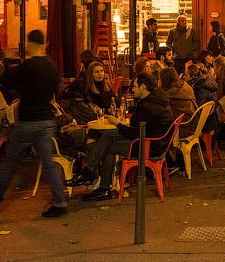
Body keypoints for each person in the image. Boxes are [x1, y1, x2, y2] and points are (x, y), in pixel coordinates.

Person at [0, 29, 68, 219]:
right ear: (44, 44)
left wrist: (8, 61)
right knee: (49, 163)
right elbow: (57, 90)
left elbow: (6, 80)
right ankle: (60, 201)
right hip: (46, 120)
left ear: (31, 45)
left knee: (10, 163)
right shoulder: (52, 67)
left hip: (27, 120)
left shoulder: (27, 66)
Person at [71, 72, 174, 201]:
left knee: (108, 146)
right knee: (108, 135)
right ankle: (93, 177)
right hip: (155, 143)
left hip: (148, 147)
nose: (132, 89)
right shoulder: (157, 100)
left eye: (135, 86)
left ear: (143, 87)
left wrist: (117, 124)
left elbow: (133, 133)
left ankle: (99, 184)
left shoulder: (148, 107)